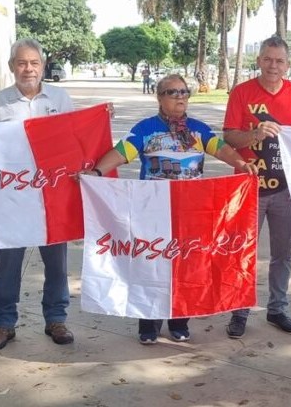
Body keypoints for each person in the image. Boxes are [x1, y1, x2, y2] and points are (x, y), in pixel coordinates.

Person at [88, 73, 258, 344]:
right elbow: (121, 152)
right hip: (152, 211)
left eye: (184, 92)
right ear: (159, 97)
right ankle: (149, 324)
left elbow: (222, 149)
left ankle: (179, 320)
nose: (180, 97)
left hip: (189, 214)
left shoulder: (199, 130)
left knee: (185, 267)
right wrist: (96, 172)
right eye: (172, 92)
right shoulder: (146, 129)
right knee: (151, 265)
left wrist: (241, 165)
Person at [0, 39, 76, 351]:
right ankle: (4, 323)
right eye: (22, 63)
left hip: (51, 196)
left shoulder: (60, 99)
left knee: (56, 263)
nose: (28, 69)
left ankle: (56, 319)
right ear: (12, 67)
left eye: (34, 62)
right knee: (7, 263)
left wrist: (102, 119)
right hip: (11, 198)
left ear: (43, 65)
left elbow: (74, 141)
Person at [222, 35, 291, 338]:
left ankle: (277, 308)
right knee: (243, 251)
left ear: (288, 64)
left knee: (283, 254)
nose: (273, 65)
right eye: (267, 59)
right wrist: (254, 135)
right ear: (259, 60)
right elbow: (229, 138)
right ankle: (239, 310)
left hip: (286, 190)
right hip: (248, 189)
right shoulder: (241, 93)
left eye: (279, 60)